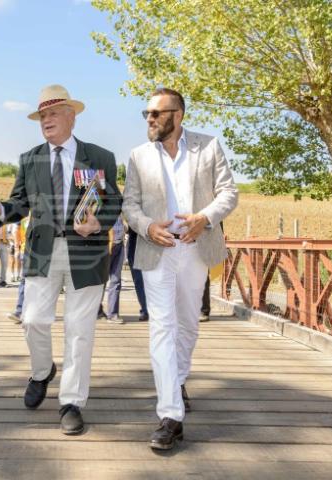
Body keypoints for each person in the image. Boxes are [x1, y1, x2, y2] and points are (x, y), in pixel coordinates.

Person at [0, 84, 121, 435]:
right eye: (42, 115)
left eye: (53, 113)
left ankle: (71, 402)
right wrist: (0, 211)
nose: (46, 120)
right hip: (42, 252)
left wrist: (97, 222)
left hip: (87, 253)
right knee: (33, 320)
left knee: (79, 331)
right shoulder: (30, 158)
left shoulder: (100, 157)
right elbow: (18, 204)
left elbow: (113, 202)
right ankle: (42, 371)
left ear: (72, 116)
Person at [122, 87, 238, 451]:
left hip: (195, 246)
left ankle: (178, 378)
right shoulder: (138, 156)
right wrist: (146, 227)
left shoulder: (209, 146)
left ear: (178, 115)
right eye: (147, 114)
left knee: (187, 322)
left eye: (156, 113)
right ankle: (170, 414)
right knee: (161, 326)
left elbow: (228, 193)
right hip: (157, 248)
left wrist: (205, 218)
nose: (150, 119)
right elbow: (130, 205)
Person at [97, 217, 125, 324]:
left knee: (116, 280)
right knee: (101, 280)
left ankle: (113, 314)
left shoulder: (120, 202)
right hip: (106, 244)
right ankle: (97, 310)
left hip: (119, 244)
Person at [7, 216, 31, 324]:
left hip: (42, 253)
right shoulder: (22, 215)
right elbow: (16, 230)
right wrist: (17, 248)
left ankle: (32, 312)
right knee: (24, 281)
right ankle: (19, 311)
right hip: (25, 252)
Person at [126, 222, 149, 321]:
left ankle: (147, 310)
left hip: (150, 239)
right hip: (135, 238)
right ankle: (145, 309)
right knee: (139, 280)